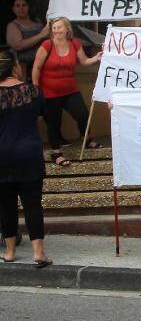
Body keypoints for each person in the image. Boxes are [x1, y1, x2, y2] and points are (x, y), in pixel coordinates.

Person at [0, 50, 51, 267]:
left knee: (5, 205)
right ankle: (38, 253)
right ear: (15, 67)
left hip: (2, 155)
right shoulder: (33, 91)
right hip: (29, 152)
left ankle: (10, 251)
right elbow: (42, 117)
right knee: (32, 203)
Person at [32, 17, 102, 164]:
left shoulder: (75, 43)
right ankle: (56, 153)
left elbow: (84, 61)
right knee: (53, 122)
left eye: (59, 27)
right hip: (49, 92)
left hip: (70, 90)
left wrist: (96, 57)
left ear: (67, 29)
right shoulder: (47, 44)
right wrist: (35, 89)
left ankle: (87, 140)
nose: (56, 30)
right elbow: (36, 68)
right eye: (54, 28)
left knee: (83, 114)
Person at [6, 0, 49, 77]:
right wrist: (40, 35)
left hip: (41, 67)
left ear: (28, 7)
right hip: (22, 69)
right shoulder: (13, 25)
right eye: (18, 6)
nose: (21, 8)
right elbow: (18, 45)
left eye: (24, 5)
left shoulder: (39, 25)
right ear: (13, 9)